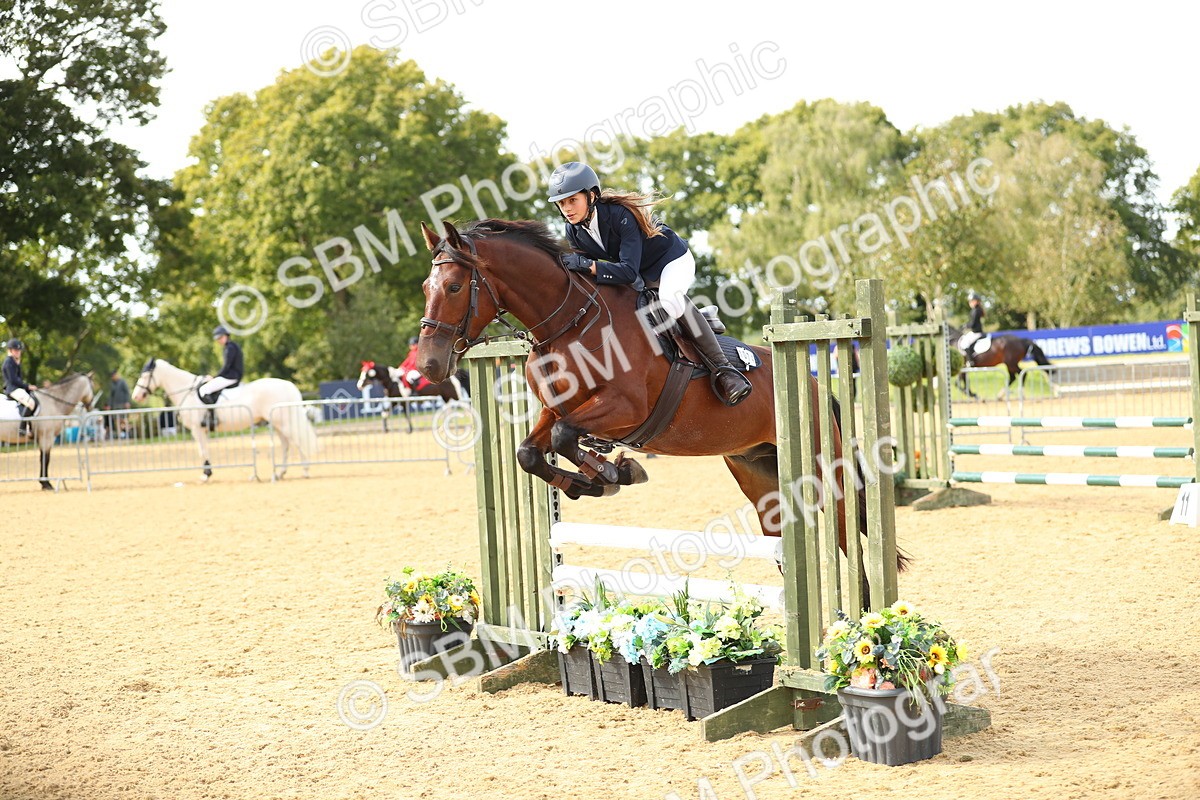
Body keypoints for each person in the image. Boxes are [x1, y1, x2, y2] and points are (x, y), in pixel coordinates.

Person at [547, 162, 751, 406]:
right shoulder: (574, 231)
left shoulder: (620, 216)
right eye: (562, 203)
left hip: (671, 261)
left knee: (670, 301)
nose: (567, 209)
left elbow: (625, 269)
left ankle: (726, 371)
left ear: (591, 196)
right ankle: (700, 319)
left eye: (572, 200)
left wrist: (589, 266)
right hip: (641, 275)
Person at [199, 325, 244, 430]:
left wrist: (214, 377)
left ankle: (212, 417)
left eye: (220, 338)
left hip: (231, 376)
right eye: (218, 339)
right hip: (232, 375)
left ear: (226, 336)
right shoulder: (231, 346)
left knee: (204, 389)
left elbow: (226, 367)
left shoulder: (230, 348)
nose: (219, 340)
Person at [3, 339, 38, 437]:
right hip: (12, 389)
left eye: (19, 350)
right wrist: (28, 386)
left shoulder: (15, 362)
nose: (18, 352)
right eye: (16, 350)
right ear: (10, 350)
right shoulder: (9, 362)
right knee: (30, 403)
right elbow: (13, 380)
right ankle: (22, 428)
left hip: (17, 388)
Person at [958, 292, 986, 357]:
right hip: (974, 332)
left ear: (976, 301)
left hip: (976, 332)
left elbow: (973, 323)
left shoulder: (976, 310)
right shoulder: (976, 310)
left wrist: (965, 326)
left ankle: (970, 361)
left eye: (972, 301)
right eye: (969, 301)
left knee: (965, 343)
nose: (970, 303)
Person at [107, 370, 132, 439]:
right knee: (116, 420)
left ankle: (128, 431)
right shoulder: (112, 383)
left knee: (123, 419)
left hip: (122, 404)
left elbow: (127, 392)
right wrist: (109, 405)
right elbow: (111, 395)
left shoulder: (122, 382)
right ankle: (120, 435)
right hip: (115, 405)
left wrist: (127, 402)